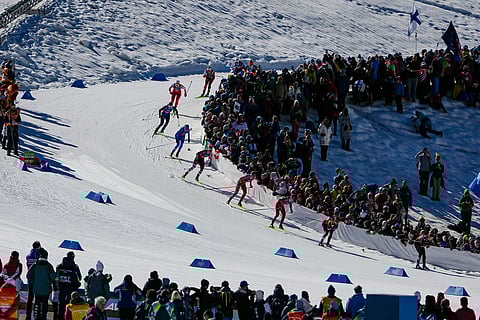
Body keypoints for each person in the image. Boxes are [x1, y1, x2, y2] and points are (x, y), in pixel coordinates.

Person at [27, 248, 56, 320]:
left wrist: (33, 283)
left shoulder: (35, 265)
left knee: (37, 303)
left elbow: (28, 276)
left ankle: (36, 317)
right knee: (44, 304)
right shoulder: (49, 266)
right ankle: (43, 317)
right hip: (46, 289)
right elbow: (53, 277)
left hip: (36, 289)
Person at [57, 252, 82, 320]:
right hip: (71, 291)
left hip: (61, 290)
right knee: (69, 308)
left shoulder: (59, 266)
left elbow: (56, 278)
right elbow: (79, 278)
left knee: (61, 307)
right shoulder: (75, 267)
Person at [25, 241, 41, 320]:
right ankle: (36, 315)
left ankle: (28, 315)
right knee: (37, 299)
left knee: (30, 298)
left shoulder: (28, 256)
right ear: (39, 246)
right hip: (37, 280)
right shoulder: (39, 255)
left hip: (30, 279)